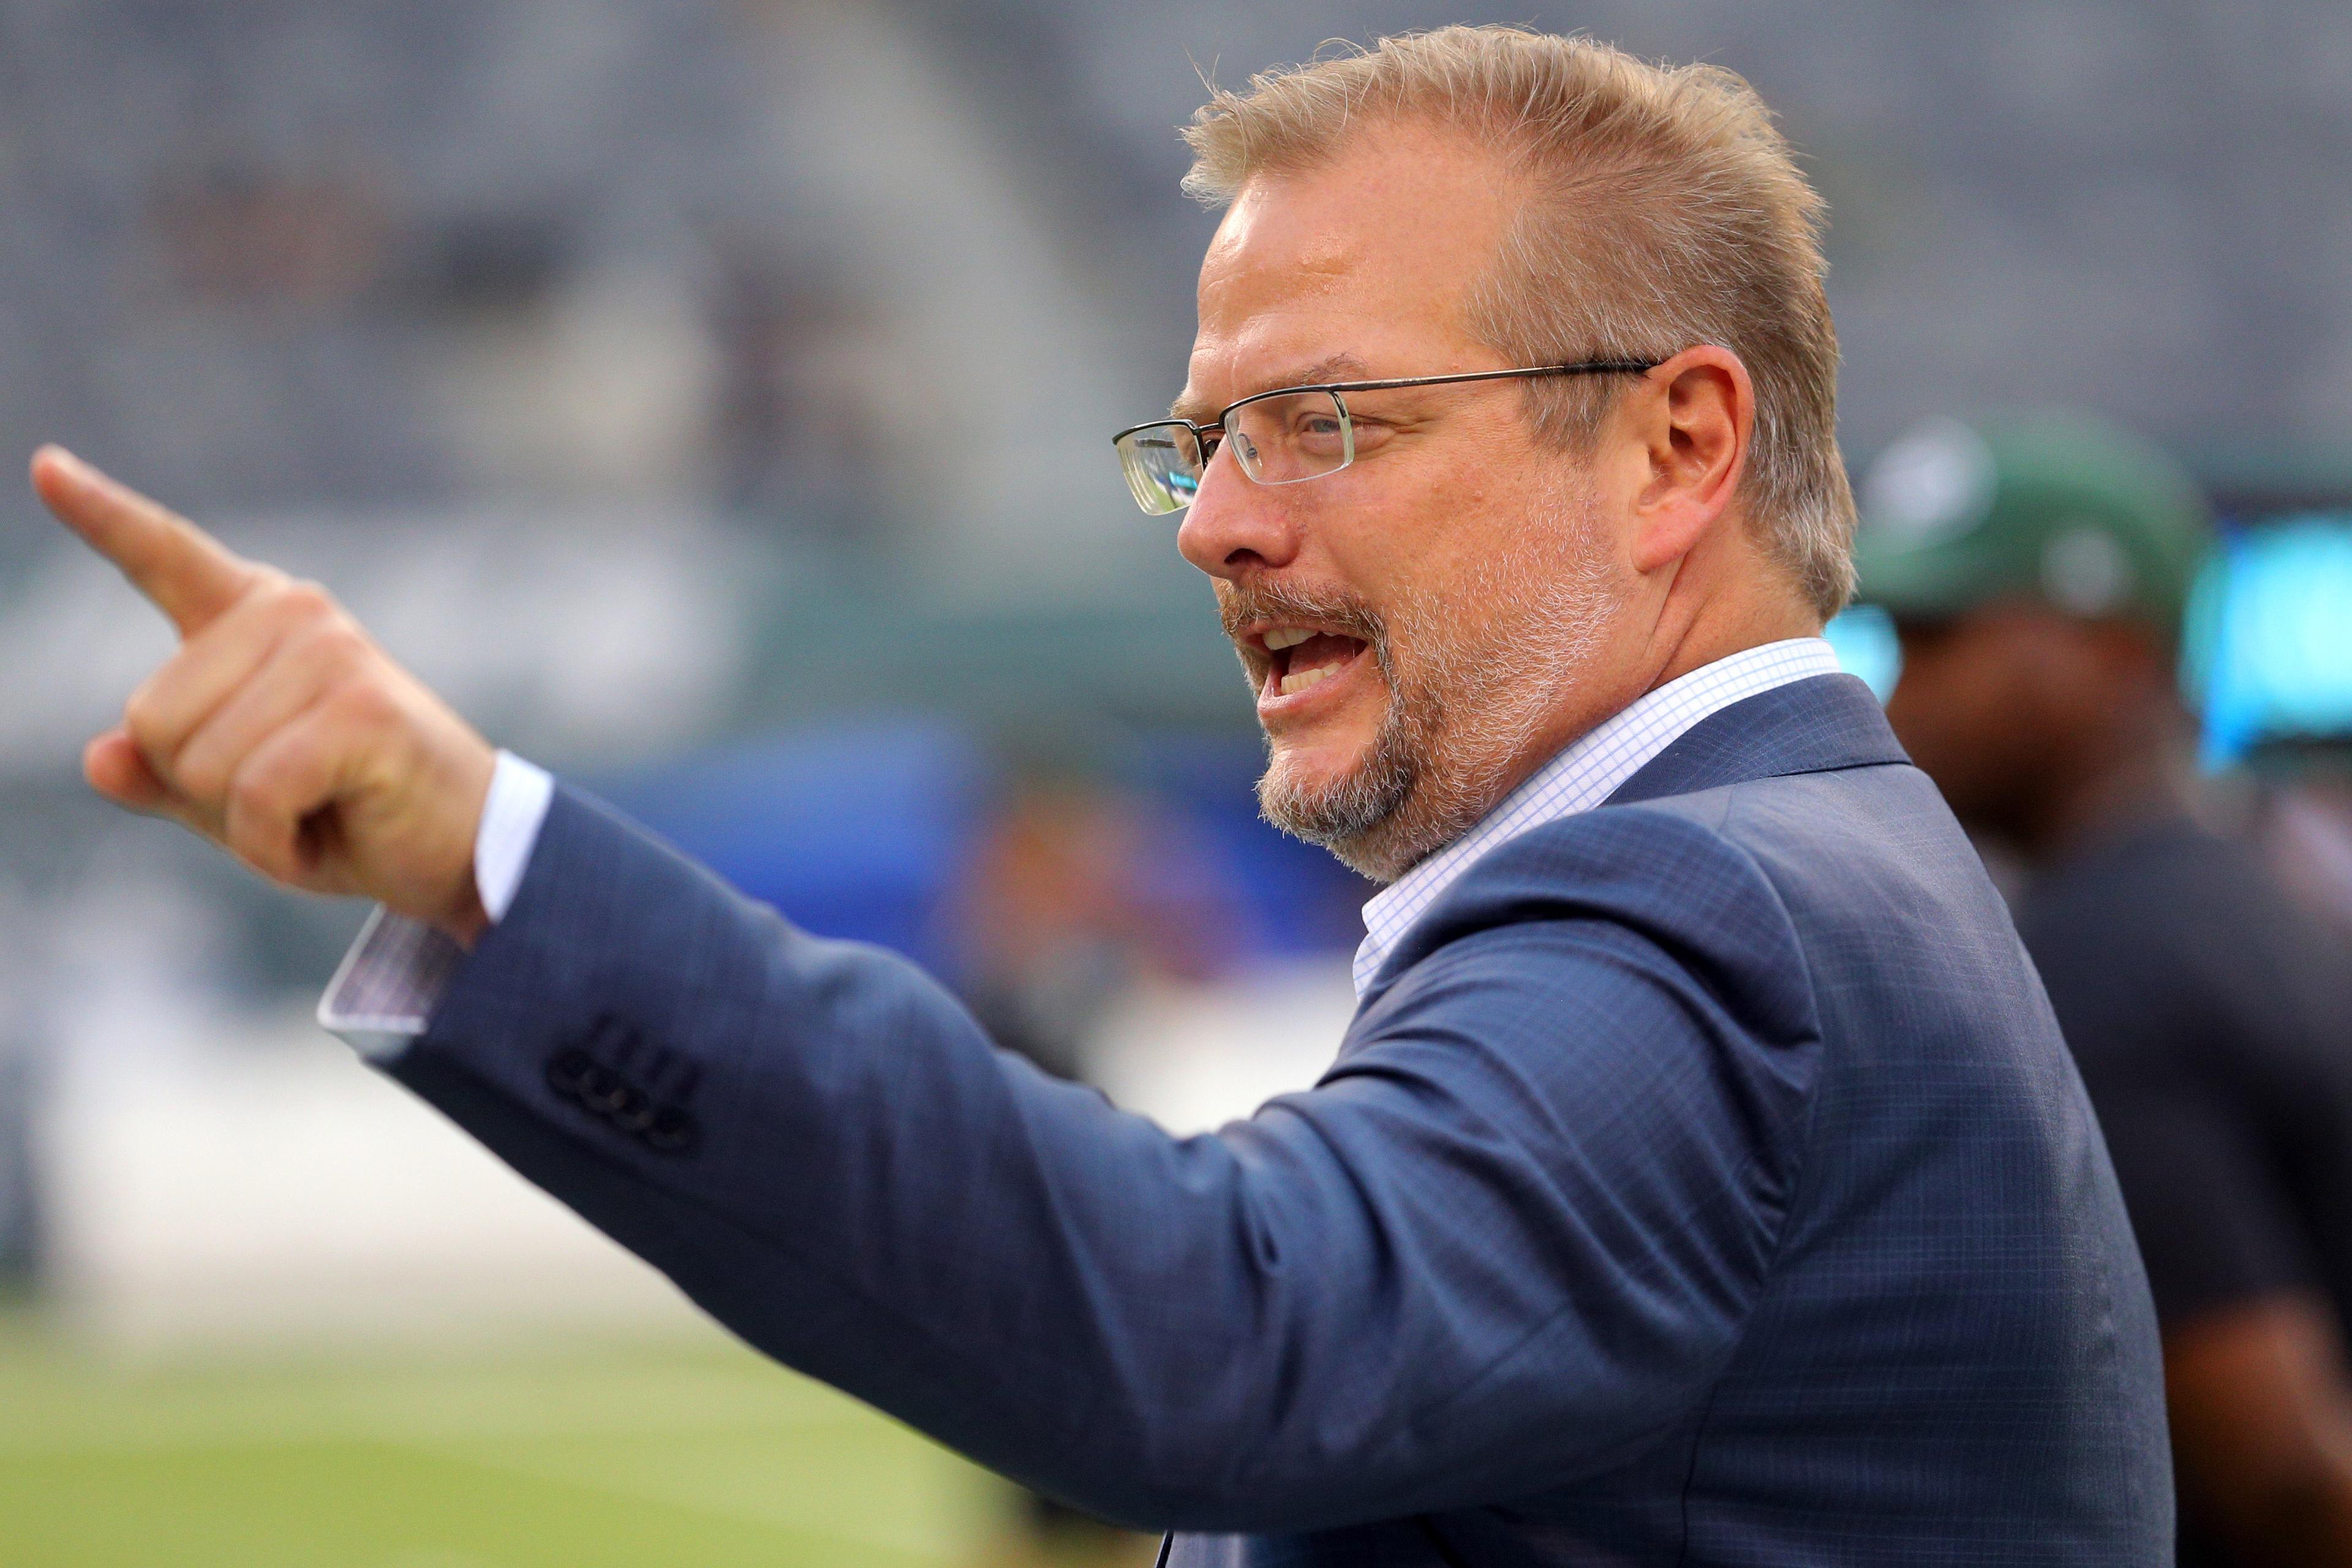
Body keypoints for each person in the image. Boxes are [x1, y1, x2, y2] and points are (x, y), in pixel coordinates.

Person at [31, 28, 2169, 1566]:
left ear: (1679, 450)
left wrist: (497, 858)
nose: (1213, 526)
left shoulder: (1719, 922)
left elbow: (1220, 1324)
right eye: (1200, 444)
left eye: (1325, 421)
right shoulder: (1789, 874)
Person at [1862, 413, 2352, 1566]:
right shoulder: (2238, 893)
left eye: (1943, 636)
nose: (1895, 689)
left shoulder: (2107, 958)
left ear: (2118, 656)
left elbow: (2284, 1477)